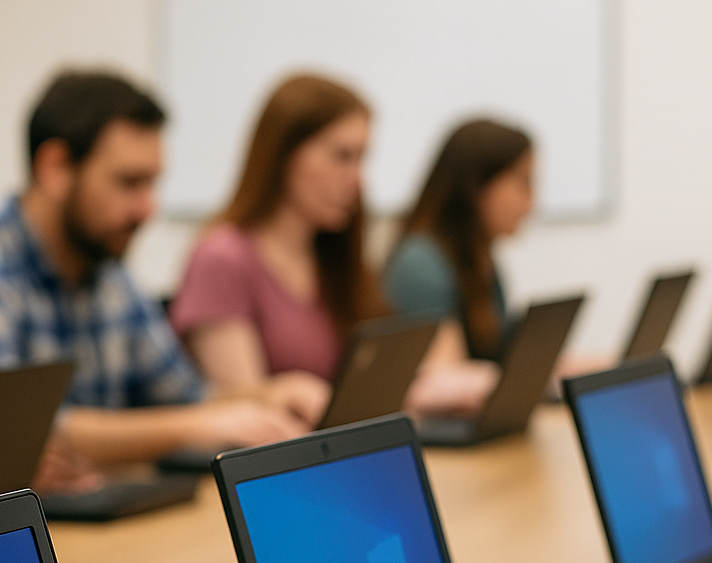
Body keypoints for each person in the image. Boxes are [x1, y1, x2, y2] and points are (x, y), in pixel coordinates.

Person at [0, 70, 309, 465]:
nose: (148, 208)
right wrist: (192, 427)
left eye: (153, 183)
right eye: (129, 183)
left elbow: (186, 395)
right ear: (54, 168)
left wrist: (272, 394)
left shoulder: (111, 277)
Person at [170, 74, 382, 413]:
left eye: (361, 159)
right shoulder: (221, 258)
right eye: (342, 156)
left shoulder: (333, 254)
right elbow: (246, 404)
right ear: (283, 154)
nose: (356, 180)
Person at [385, 119, 535, 415]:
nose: (531, 203)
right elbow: (447, 378)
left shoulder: (481, 261)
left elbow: (498, 356)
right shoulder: (422, 264)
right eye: (523, 183)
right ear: (478, 186)